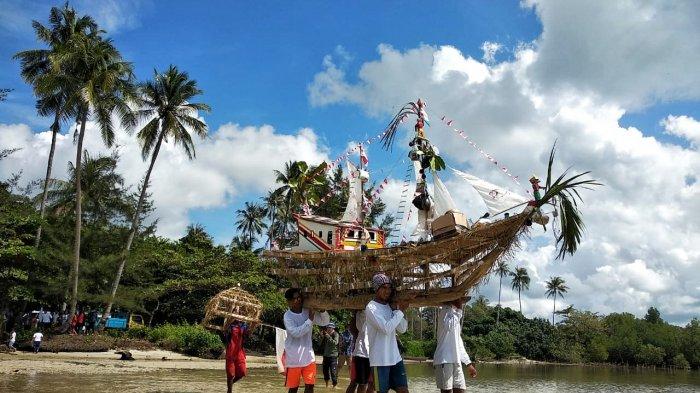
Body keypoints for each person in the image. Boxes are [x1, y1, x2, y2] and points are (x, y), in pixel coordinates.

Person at [365, 273, 409, 393]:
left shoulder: (390, 307)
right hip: (380, 360)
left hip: (395, 358)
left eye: (389, 287)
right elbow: (386, 329)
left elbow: (402, 329)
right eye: (384, 287)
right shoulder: (371, 308)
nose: (387, 291)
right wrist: (400, 311)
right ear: (376, 289)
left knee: (404, 390)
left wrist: (397, 310)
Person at [283, 288, 330, 393]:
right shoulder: (287, 316)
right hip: (293, 358)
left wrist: (322, 310)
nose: (299, 300)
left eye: (300, 297)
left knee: (310, 386)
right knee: (293, 388)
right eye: (296, 298)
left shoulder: (307, 311)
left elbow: (324, 321)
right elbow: (296, 333)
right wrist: (310, 320)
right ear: (289, 301)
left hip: (309, 357)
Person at [433, 296, 478, 393]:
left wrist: (468, 364)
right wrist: (459, 310)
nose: (461, 304)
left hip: (456, 360)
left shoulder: (455, 316)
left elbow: (459, 344)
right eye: (460, 301)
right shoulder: (445, 311)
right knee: (447, 391)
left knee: (461, 389)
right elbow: (449, 326)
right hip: (444, 360)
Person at [223, 319, 255, 393]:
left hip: (240, 351)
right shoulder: (230, 325)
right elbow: (225, 332)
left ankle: (230, 385)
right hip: (231, 351)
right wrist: (228, 322)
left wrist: (253, 325)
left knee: (242, 372)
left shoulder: (243, 325)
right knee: (230, 374)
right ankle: (229, 390)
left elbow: (248, 334)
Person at [346, 310, 375, 393]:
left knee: (372, 383)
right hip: (361, 353)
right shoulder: (359, 313)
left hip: (375, 354)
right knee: (359, 383)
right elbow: (354, 330)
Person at [321, 323, 339, 388]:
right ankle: (327, 385)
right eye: (328, 328)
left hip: (333, 356)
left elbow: (335, 343)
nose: (328, 329)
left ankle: (334, 385)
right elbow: (320, 343)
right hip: (326, 356)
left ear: (333, 328)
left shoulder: (336, 334)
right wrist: (321, 336)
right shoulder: (326, 335)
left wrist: (328, 336)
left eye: (330, 328)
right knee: (325, 371)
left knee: (333, 372)